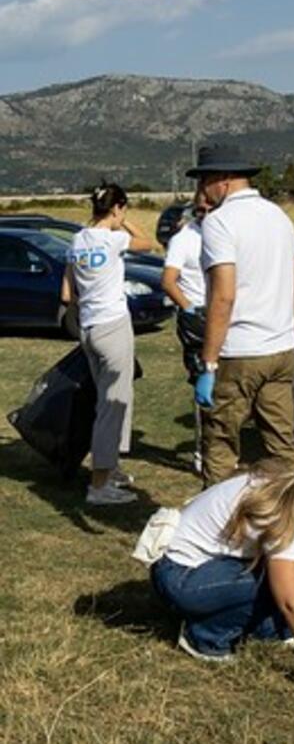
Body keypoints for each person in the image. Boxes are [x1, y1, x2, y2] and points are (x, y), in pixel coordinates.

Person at [150, 446, 294, 706]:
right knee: (271, 584)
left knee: (283, 573)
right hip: (177, 575)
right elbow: (290, 603)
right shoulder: (281, 512)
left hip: (196, 568)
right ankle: (205, 638)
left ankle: (258, 626)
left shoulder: (287, 486)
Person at [186, 143, 294, 485]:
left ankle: (217, 528)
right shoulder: (278, 216)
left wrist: (209, 363)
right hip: (280, 350)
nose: (201, 191)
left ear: (222, 180)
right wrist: (286, 327)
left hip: (239, 351)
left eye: (204, 181)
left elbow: (223, 296)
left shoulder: (219, 222)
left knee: (222, 445)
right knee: (283, 447)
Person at [62, 183, 154, 505]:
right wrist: (124, 220)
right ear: (116, 208)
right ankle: (99, 486)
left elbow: (66, 294)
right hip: (113, 326)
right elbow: (149, 243)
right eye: (121, 209)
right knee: (111, 406)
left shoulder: (77, 240)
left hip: (88, 327)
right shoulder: (113, 240)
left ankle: (110, 465)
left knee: (113, 398)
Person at [161, 188, 211, 472]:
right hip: (197, 315)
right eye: (200, 210)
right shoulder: (183, 239)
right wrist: (189, 307)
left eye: (209, 209)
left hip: (225, 312)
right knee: (203, 382)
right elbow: (168, 281)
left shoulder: (225, 233)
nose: (205, 215)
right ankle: (202, 449)